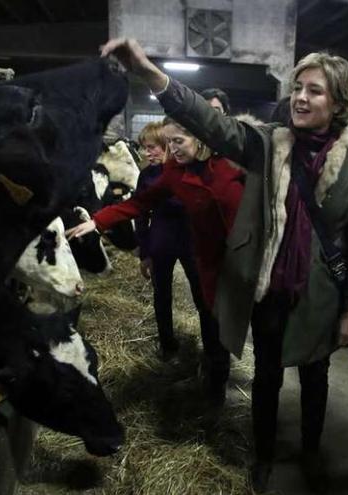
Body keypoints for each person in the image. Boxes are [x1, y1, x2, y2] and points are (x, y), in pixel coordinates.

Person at [101, 38, 348, 492]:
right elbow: (209, 123)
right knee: (267, 376)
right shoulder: (267, 143)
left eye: (316, 91)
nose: (302, 97)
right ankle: (263, 455)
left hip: (319, 294)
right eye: (299, 87)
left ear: (341, 103)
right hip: (270, 289)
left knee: (315, 377)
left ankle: (310, 450)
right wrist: (151, 73)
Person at [68, 116, 243, 406]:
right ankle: (213, 384)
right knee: (208, 313)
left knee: (214, 314)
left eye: (178, 141)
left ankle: (217, 376)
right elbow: (140, 203)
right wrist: (98, 221)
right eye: (169, 141)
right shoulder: (172, 172)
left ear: (199, 140)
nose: (171, 149)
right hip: (198, 253)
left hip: (229, 256)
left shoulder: (227, 167)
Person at [132, 121, 208, 362]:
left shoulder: (188, 171)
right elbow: (140, 215)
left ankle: (210, 345)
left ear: (166, 147)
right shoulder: (146, 175)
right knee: (161, 296)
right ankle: (168, 346)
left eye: (152, 147)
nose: (147, 153)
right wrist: (144, 253)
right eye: (145, 148)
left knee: (202, 296)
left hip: (191, 241)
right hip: (160, 242)